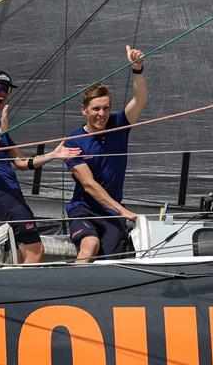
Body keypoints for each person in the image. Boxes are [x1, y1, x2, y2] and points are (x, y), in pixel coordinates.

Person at [0, 70, 81, 264]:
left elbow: (21, 163)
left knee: (21, 255)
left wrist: (53, 155)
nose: (4, 93)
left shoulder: (0, 125)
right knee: (36, 252)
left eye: (7, 90)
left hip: (12, 195)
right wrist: (0, 133)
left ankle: (5, 290)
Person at [63, 46, 149, 263]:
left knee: (111, 259)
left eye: (106, 108)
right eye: (96, 109)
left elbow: (140, 100)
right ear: (84, 110)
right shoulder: (73, 141)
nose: (102, 114)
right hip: (84, 210)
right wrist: (123, 211)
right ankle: (70, 292)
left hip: (111, 214)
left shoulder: (119, 123)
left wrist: (137, 69)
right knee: (90, 244)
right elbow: (89, 185)